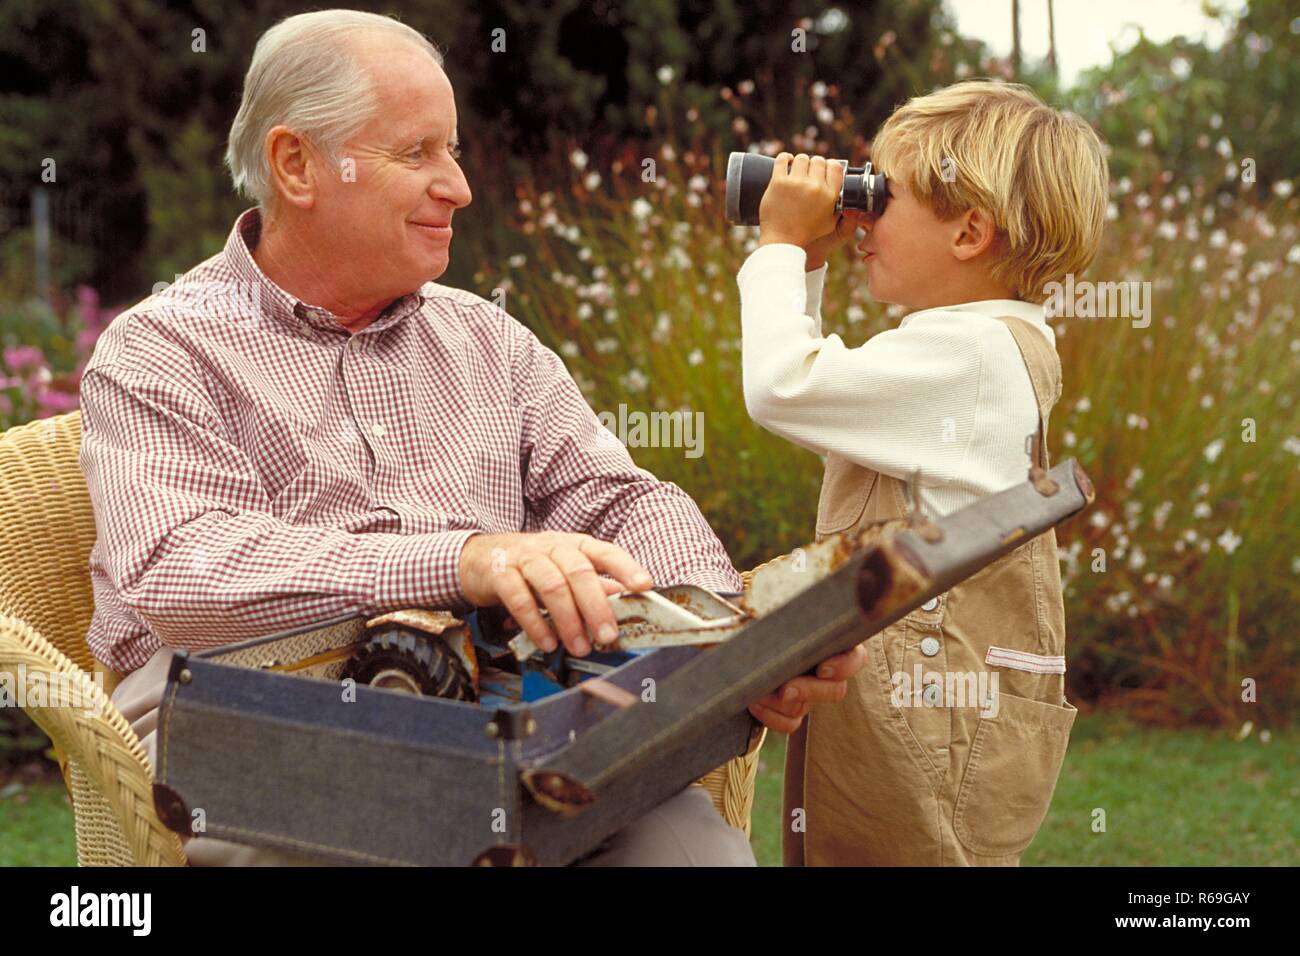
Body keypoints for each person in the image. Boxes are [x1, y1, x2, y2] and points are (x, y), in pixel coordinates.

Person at [81, 8, 865, 866]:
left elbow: (617, 501)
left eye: (450, 151)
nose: (457, 185)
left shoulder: (490, 339)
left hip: (502, 706)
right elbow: (182, 570)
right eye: (417, 153)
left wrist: (730, 638)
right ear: (296, 163)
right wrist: (464, 559)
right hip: (253, 717)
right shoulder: (161, 347)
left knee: (692, 855)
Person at [736, 80, 1108, 865]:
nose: (862, 214)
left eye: (883, 195)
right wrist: (805, 257)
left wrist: (778, 248)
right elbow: (818, 396)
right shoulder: (989, 342)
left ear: (971, 231)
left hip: (923, 699)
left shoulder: (967, 356)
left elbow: (781, 386)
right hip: (926, 689)